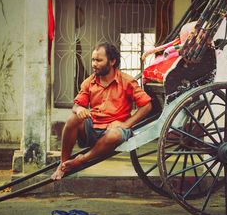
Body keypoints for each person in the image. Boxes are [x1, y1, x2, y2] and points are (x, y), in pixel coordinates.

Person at [52, 42, 152, 180]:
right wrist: (79, 108)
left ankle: (81, 160)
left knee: (114, 135)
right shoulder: (89, 82)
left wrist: (126, 124)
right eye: (93, 60)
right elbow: (76, 105)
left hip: (115, 130)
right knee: (72, 119)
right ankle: (63, 165)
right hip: (93, 127)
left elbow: (147, 105)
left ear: (112, 61)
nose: (94, 64)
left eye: (99, 60)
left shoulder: (127, 82)